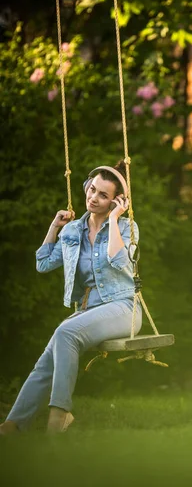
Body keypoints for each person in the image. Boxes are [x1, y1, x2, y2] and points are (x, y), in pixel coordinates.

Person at [0, 162, 141, 435]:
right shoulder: (73, 231)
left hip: (123, 308)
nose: (93, 198)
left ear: (116, 201)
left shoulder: (127, 226)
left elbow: (118, 260)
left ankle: (59, 416)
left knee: (64, 332)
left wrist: (113, 220)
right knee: (48, 357)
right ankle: (14, 424)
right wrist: (55, 226)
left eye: (103, 195)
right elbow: (43, 263)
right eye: (92, 190)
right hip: (88, 311)